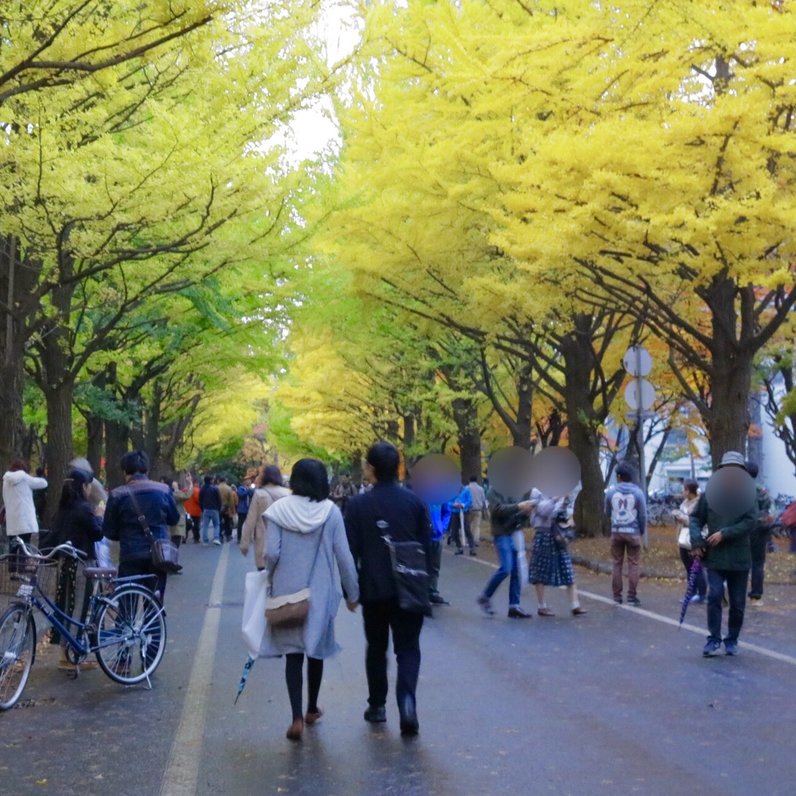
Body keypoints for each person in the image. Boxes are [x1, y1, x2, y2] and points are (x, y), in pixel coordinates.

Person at [261, 458, 359, 742]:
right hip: (321, 591)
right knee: (315, 649)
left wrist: (269, 579)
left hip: (288, 591)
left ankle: (295, 718)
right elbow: (344, 556)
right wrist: (353, 593)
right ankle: (312, 708)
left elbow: (272, 554)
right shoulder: (331, 512)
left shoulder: (278, 511)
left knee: (293, 653)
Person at [345, 441, 432, 735]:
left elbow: (350, 550)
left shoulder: (357, 505)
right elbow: (426, 544)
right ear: (399, 468)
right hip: (410, 586)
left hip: (374, 587)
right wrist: (428, 584)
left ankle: (377, 705)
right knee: (408, 648)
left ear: (371, 468)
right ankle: (407, 702)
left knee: (377, 648)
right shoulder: (415, 502)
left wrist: (350, 591)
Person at [689, 451, 758, 657]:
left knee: (737, 603)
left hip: (739, 557)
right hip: (715, 556)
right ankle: (713, 639)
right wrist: (697, 541)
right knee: (715, 595)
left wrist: (725, 533)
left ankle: (732, 639)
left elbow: (750, 521)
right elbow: (695, 519)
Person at [102, 450, 180, 601]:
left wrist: (124, 533)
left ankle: (125, 625)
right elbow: (173, 518)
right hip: (158, 554)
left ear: (125, 471)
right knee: (154, 603)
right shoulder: (163, 490)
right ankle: (153, 624)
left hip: (130, 553)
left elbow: (109, 530)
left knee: (126, 603)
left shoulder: (117, 494)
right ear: (147, 469)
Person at [50, 468, 104, 669]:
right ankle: (72, 655)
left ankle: (64, 655)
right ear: (83, 486)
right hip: (82, 564)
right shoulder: (84, 508)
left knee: (64, 606)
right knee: (79, 607)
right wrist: (99, 515)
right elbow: (97, 533)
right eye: (89, 485)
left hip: (64, 562)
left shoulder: (63, 508)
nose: (90, 489)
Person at [476, 485, 533, 618]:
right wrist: (519, 506)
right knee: (506, 568)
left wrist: (526, 512)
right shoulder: (493, 490)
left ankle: (514, 605)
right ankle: (485, 596)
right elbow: (497, 510)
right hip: (502, 534)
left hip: (515, 531)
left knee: (516, 570)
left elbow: (520, 514)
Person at [529, 492, 588, 617]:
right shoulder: (537, 491)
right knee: (540, 570)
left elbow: (563, 512)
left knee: (567, 567)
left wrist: (564, 502)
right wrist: (556, 499)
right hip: (543, 534)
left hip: (559, 533)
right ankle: (541, 606)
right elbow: (543, 511)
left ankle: (575, 605)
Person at [605, 461, 647, 606]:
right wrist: (640, 531)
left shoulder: (611, 492)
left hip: (616, 532)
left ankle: (617, 596)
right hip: (633, 532)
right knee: (633, 564)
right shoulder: (638, 493)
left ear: (619, 476)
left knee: (617, 563)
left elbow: (607, 512)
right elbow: (642, 515)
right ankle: (631, 596)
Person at [241, 465, 291, 570]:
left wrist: (244, 543)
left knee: (263, 576)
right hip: (285, 542)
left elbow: (250, 520)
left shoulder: (260, 494)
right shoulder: (288, 494)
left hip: (263, 540)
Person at [745, 461, 773, 606]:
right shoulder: (761, 490)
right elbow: (769, 509)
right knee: (757, 563)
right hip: (759, 529)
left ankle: (736, 590)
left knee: (741, 560)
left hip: (741, 529)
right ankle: (756, 596)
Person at [672, 480, 705, 603]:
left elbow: (698, 520)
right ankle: (692, 592)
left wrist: (684, 519)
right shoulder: (685, 502)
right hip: (683, 537)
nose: (682, 491)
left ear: (689, 490)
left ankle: (701, 593)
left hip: (694, 538)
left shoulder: (699, 503)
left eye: (684, 489)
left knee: (696, 566)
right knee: (688, 566)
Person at [2, 459, 48, 548]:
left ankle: (12, 562)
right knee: (25, 548)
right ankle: (23, 561)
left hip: (12, 520)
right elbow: (44, 483)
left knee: (13, 548)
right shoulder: (25, 478)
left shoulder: (5, 481)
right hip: (25, 521)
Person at [426, 499, 451, 604]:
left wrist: (443, 527)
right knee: (422, 565)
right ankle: (422, 592)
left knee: (435, 566)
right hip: (422, 536)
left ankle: (433, 591)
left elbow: (447, 511)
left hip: (437, 536)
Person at [450, 483, 476, 556]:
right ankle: (459, 548)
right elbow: (448, 502)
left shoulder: (466, 490)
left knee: (467, 529)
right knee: (454, 532)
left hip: (464, 512)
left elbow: (470, 501)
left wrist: (463, 505)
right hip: (455, 512)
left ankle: (472, 548)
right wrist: (453, 505)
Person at [170, 475, 193, 551]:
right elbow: (187, 495)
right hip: (177, 518)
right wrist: (190, 483)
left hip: (171, 519)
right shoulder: (175, 494)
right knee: (176, 539)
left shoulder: (169, 493)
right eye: (176, 486)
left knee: (174, 539)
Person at [199, 475, 222, 545]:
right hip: (214, 509)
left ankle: (205, 540)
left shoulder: (202, 489)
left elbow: (200, 500)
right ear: (211, 481)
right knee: (216, 524)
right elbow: (219, 499)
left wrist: (202, 509)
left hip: (205, 509)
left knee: (205, 525)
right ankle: (216, 538)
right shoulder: (215, 489)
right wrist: (219, 508)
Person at [467, 476, 487, 547]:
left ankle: (469, 539)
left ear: (469, 480)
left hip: (469, 509)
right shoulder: (481, 489)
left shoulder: (467, 488)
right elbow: (483, 499)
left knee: (468, 525)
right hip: (478, 509)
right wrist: (485, 508)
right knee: (477, 526)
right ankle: (475, 540)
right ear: (476, 480)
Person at [218, 476, 236, 543]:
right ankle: (228, 535)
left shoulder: (217, 488)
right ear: (225, 481)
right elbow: (231, 501)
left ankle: (220, 536)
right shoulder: (229, 488)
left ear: (218, 481)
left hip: (218, 508)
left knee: (219, 522)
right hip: (226, 508)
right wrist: (233, 510)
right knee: (227, 522)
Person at [235, 477, 253, 544]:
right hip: (242, 509)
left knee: (249, 524)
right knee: (240, 524)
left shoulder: (249, 489)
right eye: (248, 480)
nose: (249, 481)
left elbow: (252, 494)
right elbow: (241, 495)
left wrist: (250, 489)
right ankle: (239, 538)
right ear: (244, 482)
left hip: (249, 509)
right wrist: (248, 490)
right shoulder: (241, 488)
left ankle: (248, 537)